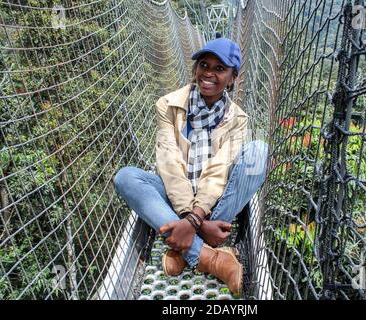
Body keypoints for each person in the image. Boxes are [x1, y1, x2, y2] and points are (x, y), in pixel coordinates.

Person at [114, 37, 268, 296]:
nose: (208, 73)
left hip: (216, 205)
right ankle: (209, 257)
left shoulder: (238, 120)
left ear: (232, 78)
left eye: (220, 69)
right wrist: (189, 217)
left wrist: (196, 218)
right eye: (204, 65)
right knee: (126, 178)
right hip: (178, 201)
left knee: (258, 152)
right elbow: (169, 162)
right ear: (195, 68)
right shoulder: (168, 105)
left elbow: (219, 171)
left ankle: (183, 246)